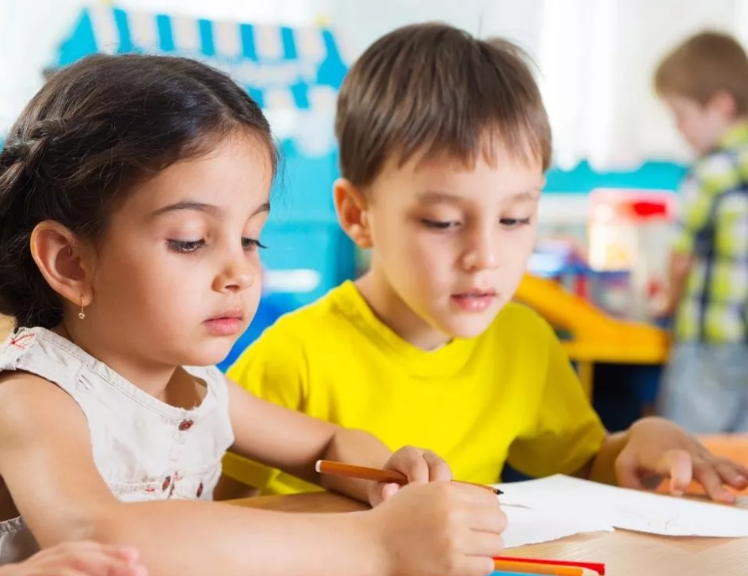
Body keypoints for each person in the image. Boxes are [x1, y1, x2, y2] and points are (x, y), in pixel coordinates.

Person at [0, 53, 506, 576]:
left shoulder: (200, 387)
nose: (239, 272)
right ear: (71, 262)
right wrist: (377, 543)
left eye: (250, 238)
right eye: (190, 241)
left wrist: (385, 473)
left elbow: (326, 444)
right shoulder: (33, 394)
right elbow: (101, 536)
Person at [223, 24, 748, 501]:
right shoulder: (291, 361)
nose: (485, 257)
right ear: (357, 214)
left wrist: (637, 443)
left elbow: (584, 470)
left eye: (515, 219)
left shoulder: (524, 345)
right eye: (444, 222)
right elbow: (208, 520)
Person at [654, 31, 748, 433]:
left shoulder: (710, 171)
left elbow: (681, 257)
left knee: (689, 447)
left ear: (721, 104)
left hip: (711, 339)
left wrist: (668, 304)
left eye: (681, 114)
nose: (679, 128)